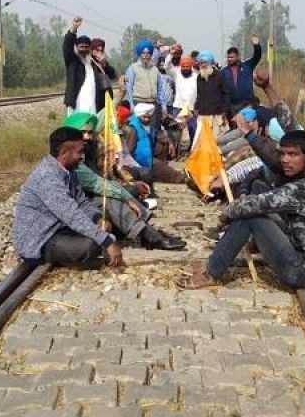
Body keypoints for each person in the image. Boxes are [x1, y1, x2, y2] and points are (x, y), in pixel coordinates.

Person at [178, 128, 305, 290]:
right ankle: (252, 242)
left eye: (293, 154)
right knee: (259, 187)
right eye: (282, 154)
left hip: (304, 273)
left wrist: (227, 213)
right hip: (300, 251)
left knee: (250, 216)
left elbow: (253, 206)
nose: (285, 160)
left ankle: (212, 272)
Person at [62, 112, 185, 251]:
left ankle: (147, 232)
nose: (86, 137)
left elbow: (108, 175)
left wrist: (128, 186)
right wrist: (126, 197)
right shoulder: (73, 160)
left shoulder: (88, 151)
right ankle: (148, 234)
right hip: (81, 206)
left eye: (89, 133)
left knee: (121, 193)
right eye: (82, 133)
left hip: (90, 200)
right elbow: (97, 184)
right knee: (114, 199)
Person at [13, 127, 122, 268]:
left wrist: (97, 218)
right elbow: (71, 215)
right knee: (92, 245)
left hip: (59, 229)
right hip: (40, 240)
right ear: (64, 153)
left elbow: (81, 203)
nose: (83, 156)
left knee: (103, 228)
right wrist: (107, 242)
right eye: (79, 152)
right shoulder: (48, 177)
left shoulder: (69, 171)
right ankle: (63, 258)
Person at [125, 40, 167, 141]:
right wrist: (131, 105)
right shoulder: (133, 68)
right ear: (139, 54)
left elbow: (160, 89)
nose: (145, 55)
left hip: (153, 105)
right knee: (139, 133)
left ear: (151, 55)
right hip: (138, 104)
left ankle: (152, 155)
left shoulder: (155, 70)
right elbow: (129, 88)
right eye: (143, 53)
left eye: (148, 53)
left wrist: (164, 107)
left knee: (153, 132)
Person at [193, 51, 231, 144]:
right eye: (201, 63)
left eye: (205, 63)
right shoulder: (199, 77)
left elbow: (227, 94)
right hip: (203, 114)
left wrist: (225, 111)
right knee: (202, 141)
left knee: (217, 141)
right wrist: (196, 108)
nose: (203, 65)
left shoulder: (220, 75)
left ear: (210, 63)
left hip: (217, 114)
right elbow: (199, 94)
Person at [63, 16, 97, 115]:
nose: (83, 49)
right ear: (76, 47)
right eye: (81, 47)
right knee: (74, 130)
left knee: (90, 130)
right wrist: (74, 29)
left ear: (90, 48)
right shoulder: (72, 61)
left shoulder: (93, 63)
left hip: (92, 106)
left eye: (86, 47)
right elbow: (67, 46)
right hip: (76, 106)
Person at [221, 34, 263, 114]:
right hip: (232, 106)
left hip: (248, 104)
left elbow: (257, 56)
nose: (230, 59)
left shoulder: (247, 66)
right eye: (228, 57)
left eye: (232, 57)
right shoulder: (224, 71)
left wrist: (256, 45)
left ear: (237, 57)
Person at [90, 38, 117, 110]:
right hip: (94, 97)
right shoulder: (89, 62)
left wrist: (104, 64)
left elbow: (113, 75)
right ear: (91, 50)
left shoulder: (103, 62)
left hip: (105, 97)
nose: (99, 53)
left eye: (101, 51)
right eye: (97, 50)